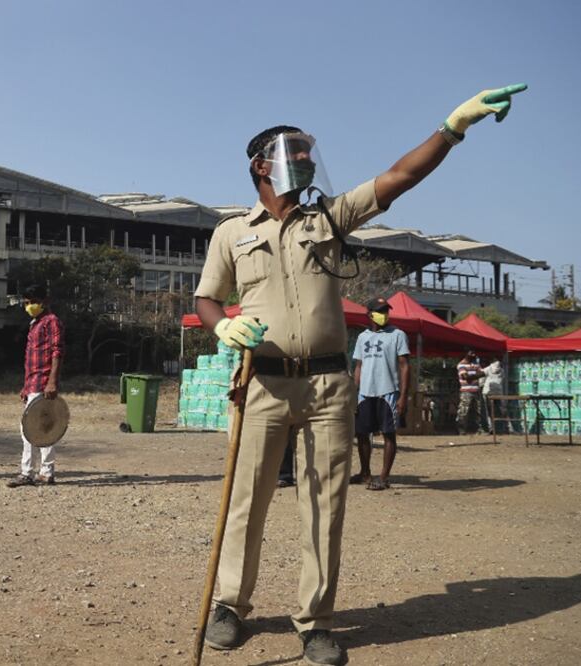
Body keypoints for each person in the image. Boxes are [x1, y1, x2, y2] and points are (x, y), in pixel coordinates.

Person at [193, 84, 527, 665]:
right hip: (263, 383)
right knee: (246, 499)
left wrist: (453, 127)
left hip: (327, 386)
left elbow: (398, 177)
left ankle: (316, 621)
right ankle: (228, 605)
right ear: (260, 164)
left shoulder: (330, 216)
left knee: (324, 502)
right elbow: (206, 299)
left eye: (306, 152)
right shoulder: (231, 231)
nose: (304, 160)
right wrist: (221, 325)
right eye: (292, 153)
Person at [7, 284, 64, 487]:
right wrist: (25, 386)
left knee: (37, 429)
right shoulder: (35, 323)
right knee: (34, 428)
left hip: (43, 383)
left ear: (44, 301)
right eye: (27, 303)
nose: (29, 306)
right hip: (33, 383)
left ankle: (30, 472)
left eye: (33, 302)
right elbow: (30, 360)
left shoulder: (52, 322)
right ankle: (43, 472)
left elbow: (57, 352)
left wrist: (52, 381)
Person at [351, 297, 410, 491]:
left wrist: (402, 396)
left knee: (388, 434)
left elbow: (404, 366)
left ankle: (383, 476)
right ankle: (365, 472)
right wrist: (354, 392)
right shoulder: (362, 337)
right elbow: (358, 366)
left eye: (386, 311)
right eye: (379, 311)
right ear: (369, 314)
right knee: (361, 433)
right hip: (365, 393)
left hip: (388, 392)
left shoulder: (398, 335)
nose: (383, 314)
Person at [456, 350, 485, 435]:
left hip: (476, 390)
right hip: (466, 391)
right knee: (464, 411)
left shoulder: (476, 364)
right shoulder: (461, 365)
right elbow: (465, 377)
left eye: (474, 353)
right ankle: (461, 429)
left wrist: (472, 376)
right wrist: (475, 374)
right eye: (471, 353)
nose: (474, 355)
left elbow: (482, 373)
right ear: (466, 354)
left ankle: (479, 429)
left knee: (478, 411)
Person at [481, 359, 506, 433]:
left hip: (487, 392)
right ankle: (501, 428)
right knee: (499, 410)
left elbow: (481, 381)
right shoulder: (502, 370)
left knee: (488, 411)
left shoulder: (487, 369)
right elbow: (502, 379)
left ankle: (490, 427)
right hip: (498, 392)